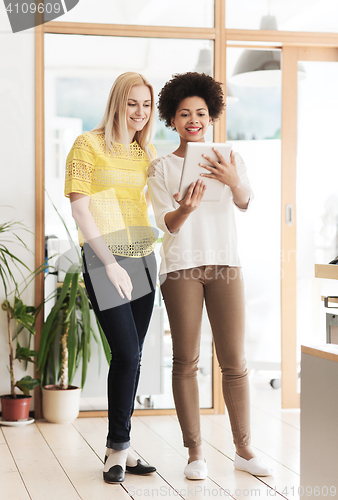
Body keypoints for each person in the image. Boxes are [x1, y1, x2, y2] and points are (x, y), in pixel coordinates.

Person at [147, 72, 273, 480]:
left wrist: (233, 180)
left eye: (200, 112)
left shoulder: (230, 158)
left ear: (212, 115)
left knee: (235, 362)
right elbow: (166, 223)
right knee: (185, 360)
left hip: (225, 264)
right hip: (181, 267)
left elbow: (245, 200)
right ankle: (195, 453)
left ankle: (244, 449)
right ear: (172, 119)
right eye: (184, 113)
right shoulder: (162, 167)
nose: (193, 119)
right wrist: (185, 207)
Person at [64, 72, 158, 484]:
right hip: (107, 260)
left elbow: (157, 206)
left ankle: (120, 447)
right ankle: (117, 450)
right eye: (132, 103)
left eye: (147, 105)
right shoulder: (88, 144)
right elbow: (81, 210)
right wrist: (111, 263)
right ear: (117, 103)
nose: (140, 112)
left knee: (131, 357)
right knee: (126, 352)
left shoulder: (145, 152)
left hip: (143, 258)